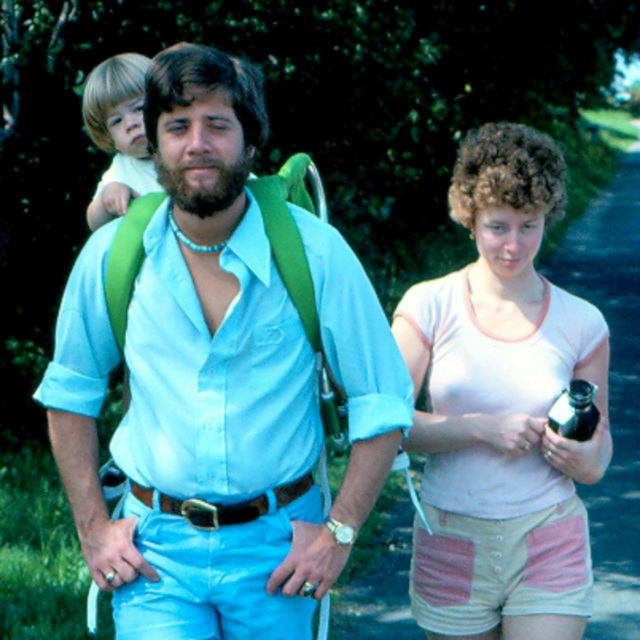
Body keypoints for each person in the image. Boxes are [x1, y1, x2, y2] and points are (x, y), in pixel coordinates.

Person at [35, 43, 414, 639]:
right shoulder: (112, 256)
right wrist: (91, 527)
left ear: (251, 139)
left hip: (280, 554)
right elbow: (70, 393)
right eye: (177, 126)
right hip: (153, 557)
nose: (197, 144)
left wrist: (338, 534)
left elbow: (383, 401)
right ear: (152, 143)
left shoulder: (314, 253)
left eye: (218, 124)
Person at [392, 122, 612, 640]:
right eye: (497, 226)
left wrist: (584, 459)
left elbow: (601, 454)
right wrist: (480, 428)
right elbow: (389, 425)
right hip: (451, 538)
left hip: (548, 536)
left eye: (528, 225)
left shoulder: (584, 323)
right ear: (470, 219)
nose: (513, 245)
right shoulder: (428, 306)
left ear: (548, 218)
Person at [82, 53, 163, 231]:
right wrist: (106, 201)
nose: (131, 123)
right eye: (116, 121)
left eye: (139, 108)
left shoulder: (187, 148)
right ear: (108, 136)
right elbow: (94, 222)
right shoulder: (121, 171)